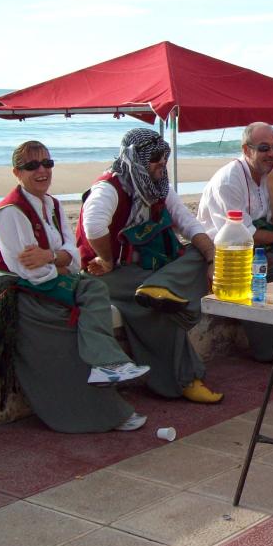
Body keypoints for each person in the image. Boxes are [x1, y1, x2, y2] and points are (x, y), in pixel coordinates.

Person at [0, 141, 149, 433]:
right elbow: (28, 272)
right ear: (17, 173)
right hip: (14, 295)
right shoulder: (8, 213)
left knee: (91, 293)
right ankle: (101, 382)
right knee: (70, 324)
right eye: (32, 165)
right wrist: (59, 260)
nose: (42, 170)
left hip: (40, 286)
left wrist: (50, 257)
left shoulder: (53, 205)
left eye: (47, 163)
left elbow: (71, 258)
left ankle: (107, 371)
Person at [78, 128, 223, 404]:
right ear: (136, 158)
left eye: (164, 156)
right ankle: (184, 380)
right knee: (162, 313)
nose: (162, 163)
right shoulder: (109, 188)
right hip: (112, 273)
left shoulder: (159, 186)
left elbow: (188, 223)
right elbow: (93, 223)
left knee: (200, 251)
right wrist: (107, 259)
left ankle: (161, 287)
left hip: (151, 269)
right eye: (155, 157)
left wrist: (212, 259)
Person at [197, 122, 273, 364]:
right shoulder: (229, 179)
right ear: (247, 150)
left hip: (264, 242)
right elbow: (244, 234)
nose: (272, 154)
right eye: (264, 148)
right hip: (230, 249)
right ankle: (271, 348)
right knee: (269, 269)